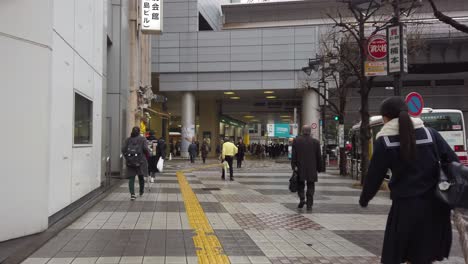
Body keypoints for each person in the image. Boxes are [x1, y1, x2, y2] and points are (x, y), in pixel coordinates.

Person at [359, 97, 458, 264]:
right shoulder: (430, 134)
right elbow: (453, 162)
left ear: (386, 118)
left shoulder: (386, 141)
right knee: (424, 255)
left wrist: (365, 198)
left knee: (400, 253)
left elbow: (374, 175)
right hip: (435, 205)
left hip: (405, 208)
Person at [291, 125, 323, 210]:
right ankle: (309, 204)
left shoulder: (296, 141)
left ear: (302, 131)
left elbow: (294, 156)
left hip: (300, 167)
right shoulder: (315, 142)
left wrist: (293, 166)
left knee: (300, 185)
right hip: (312, 168)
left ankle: (302, 198)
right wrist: (320, 168)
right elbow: (319, 157)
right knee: (311, 185)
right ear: (310, 132)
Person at [122, 127, 150, 201]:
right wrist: (148, 155)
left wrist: (128, 158)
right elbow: (145, 149)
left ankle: (132, 194)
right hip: (140, 161)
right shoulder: (143, 139)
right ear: (139, 132)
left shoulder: (128, 140)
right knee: (141, 176)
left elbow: (123, 150)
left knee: (131, 178)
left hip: (130, 162)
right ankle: (141, 191)